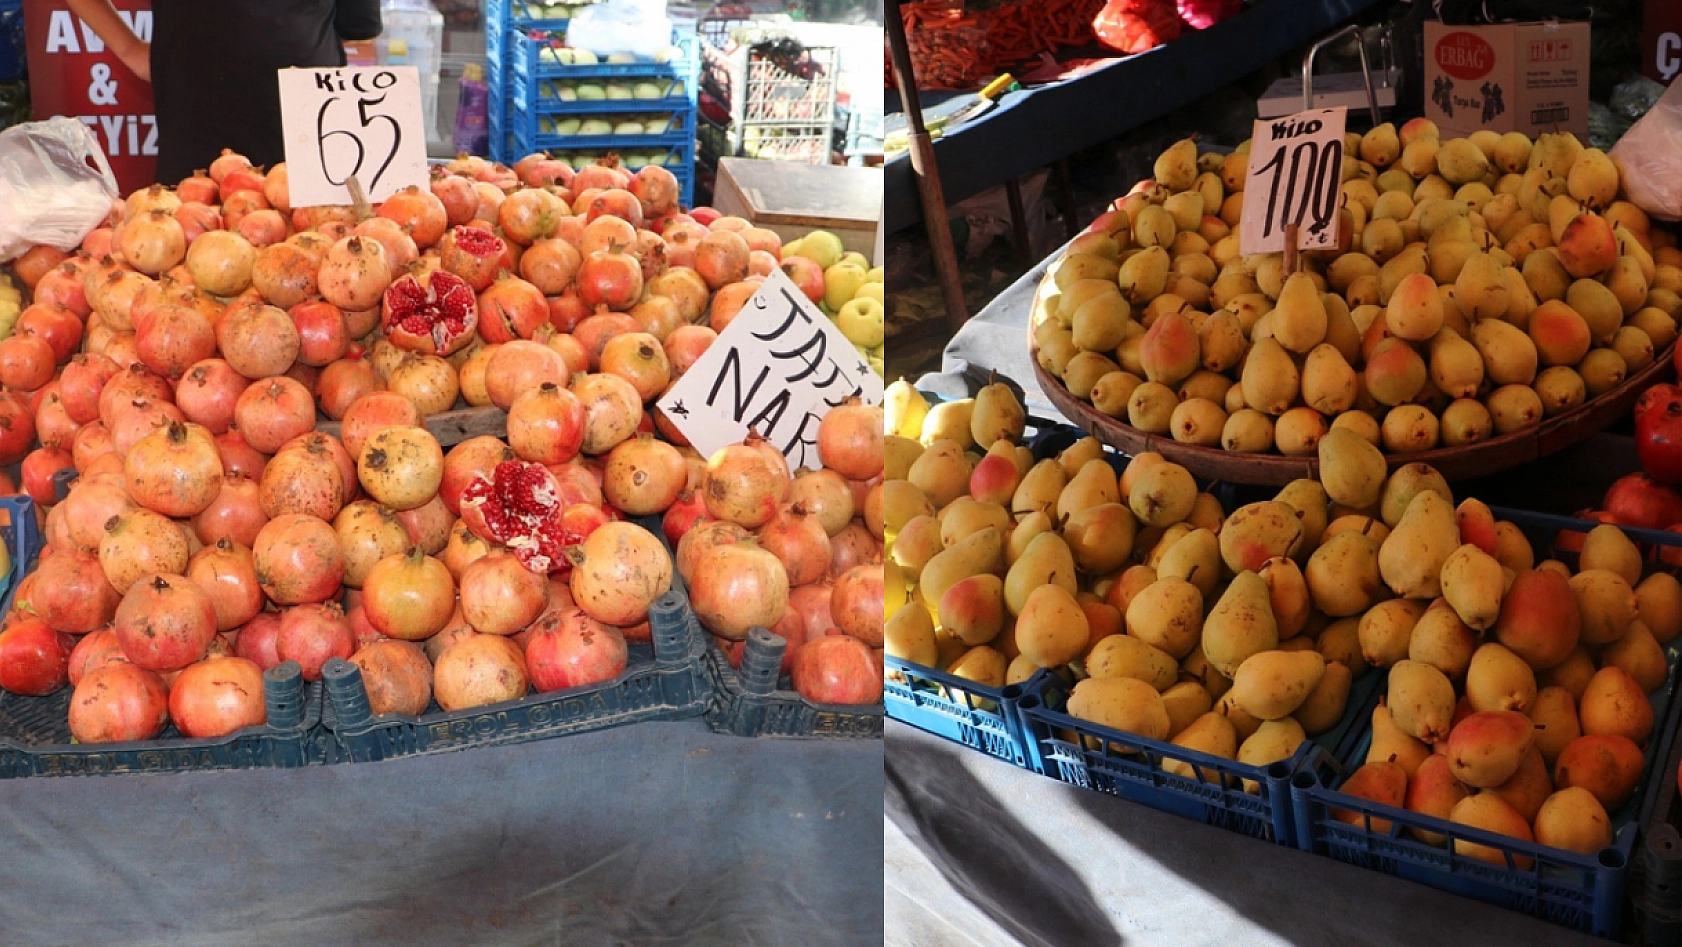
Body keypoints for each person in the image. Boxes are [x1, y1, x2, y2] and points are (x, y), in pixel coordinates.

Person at [66, 0, 383, 182]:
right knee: (187, 264)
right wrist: (129, 49)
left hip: (306, 127)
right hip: (199, 129)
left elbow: (358, 26)